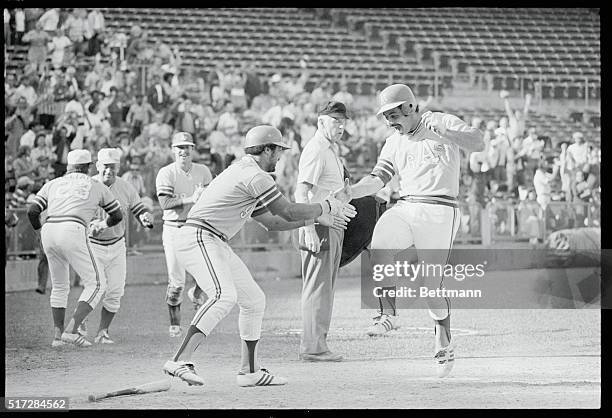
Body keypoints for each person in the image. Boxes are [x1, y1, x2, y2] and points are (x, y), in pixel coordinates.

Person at [161, 125, 355, 387]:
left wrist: (319, 217)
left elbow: (272, 223)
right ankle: (179, 360)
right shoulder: (256, 176)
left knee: (254, 300)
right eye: (277, 151)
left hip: (212, 239)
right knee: (223, 295)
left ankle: (250, 371)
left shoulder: (245, 171)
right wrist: (326, 205)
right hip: (199, 235)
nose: (279, 157)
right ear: (266, 149)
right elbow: (287, 211)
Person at [346, 84, 484, 378]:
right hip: (407, 205)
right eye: (385, 117)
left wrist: (449, 133)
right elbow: (378, 178)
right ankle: (388, 314)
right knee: (380, 242)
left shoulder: (441, 121)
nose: (389, 122)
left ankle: (443, 337)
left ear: (410, 108)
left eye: (393, 114)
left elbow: (478, 142)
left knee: (429, 287)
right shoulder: (393, 141)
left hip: (441, 210)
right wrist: (352, 191)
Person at [26, 149, 123, 347]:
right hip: (73, 227)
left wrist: (38, 231)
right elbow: (118, 215)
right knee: (97, 284)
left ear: (68, 167)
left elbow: (32, 211)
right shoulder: (95, 184)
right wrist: (103, 224)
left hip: (50, 229)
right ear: (88, 167)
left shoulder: (52, 183)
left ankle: (57, 337)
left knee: (60, 286)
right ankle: (71, 330)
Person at [294, 101, 350, 362]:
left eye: (343, 121)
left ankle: (317, 344)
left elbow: (323, 191)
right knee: (317, 288)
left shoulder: (329, 150)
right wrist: (309, 229)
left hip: (330, 223)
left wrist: (344, 196)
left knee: (323, 288)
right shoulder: (316, 149)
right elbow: (301, 191)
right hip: (319, 225)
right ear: (320, 122)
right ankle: (313, 347)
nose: (341, 125)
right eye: (335, 120)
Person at [85, 148, 154, 344]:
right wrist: (90, 227)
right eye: (105, 167)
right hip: (93, 245)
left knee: (115, 291)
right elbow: (80, 215)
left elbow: (139, 209)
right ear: (98, 166)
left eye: (113, 167)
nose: (109, 171)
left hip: (117, 245)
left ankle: (102, 332)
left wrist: (145, 218)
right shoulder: (88, 186)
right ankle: (79, 324)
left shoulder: (126, 186)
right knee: (95, 288)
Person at [155, 132, 213, 337]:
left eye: (187, 147)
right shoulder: (166, 172)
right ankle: (175, 325)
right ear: (173, 150)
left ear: (193, 149)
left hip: (196, 227)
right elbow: (164, 204)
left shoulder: (203, 171)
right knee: (177, 281)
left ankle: (196, 293)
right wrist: (192, 199)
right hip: (173, 228)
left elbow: (210, 199)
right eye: (180, 147)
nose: (184, 151)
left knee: (207, 272)